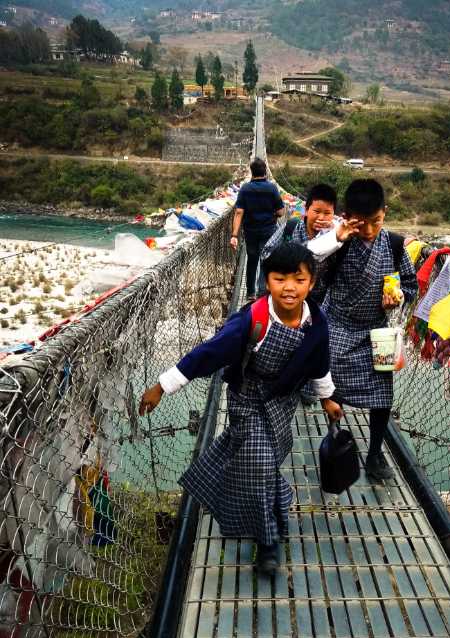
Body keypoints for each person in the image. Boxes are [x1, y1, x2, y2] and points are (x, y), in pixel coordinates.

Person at [139, 243, 343, 575]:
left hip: (282, 401)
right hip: (247, 399)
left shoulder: (316, 322)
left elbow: (320, 363)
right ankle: (268, 543)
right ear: (267, 282)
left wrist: (327, 398)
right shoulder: (253, 319)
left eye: (298, 279)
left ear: (312, 283)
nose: (289, 287)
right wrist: (163, 385)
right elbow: (210, 353)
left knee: (266, 462)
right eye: (279, 279)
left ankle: (268, 505)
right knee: (262, 463)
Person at [308, 179, 418, 481]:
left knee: (383, 396)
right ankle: (337, 439)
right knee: (335, 390)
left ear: (385, 212)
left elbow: (410, 285)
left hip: (378, 330)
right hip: (339, 326)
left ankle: (374, 453)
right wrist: (336, 239)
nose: (369, 230)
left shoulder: (395, 245)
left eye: (376, 221)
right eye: (362, 223)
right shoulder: (336, 241)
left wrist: (398, 298)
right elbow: (310, 268)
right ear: (346, 216)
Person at [257, 183, 338, 296]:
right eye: (317, 211)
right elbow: (266, 254)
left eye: (327, 213)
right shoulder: (290, 227)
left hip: (317, 299)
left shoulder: (336, 238)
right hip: (286, 294)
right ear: (306, 209)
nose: (321, 217)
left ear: (334, 214)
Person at [230, 157, 285, 300]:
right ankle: (262, 292)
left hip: (250, 231)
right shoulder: (272, 188)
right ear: (265, 171)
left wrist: (234, 235)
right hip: (268, 230)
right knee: (265, 260)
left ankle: (250, 293)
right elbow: (280, 212)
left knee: (252, 260)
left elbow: (239, 212)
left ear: (251, 172)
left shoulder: (245, 189)